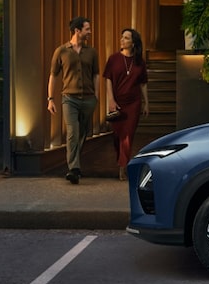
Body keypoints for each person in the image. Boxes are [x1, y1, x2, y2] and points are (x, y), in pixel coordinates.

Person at [48, 16, 99, 185]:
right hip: (69, 99)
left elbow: (96, 75)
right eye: (87, 29)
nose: (90, 32)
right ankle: (74, 169)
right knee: (72, 132)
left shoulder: (92, 52)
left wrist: (97, 96)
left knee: (82, 133)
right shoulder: (61, 51)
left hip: (88, 99)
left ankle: (75, 164)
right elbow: (53, 76)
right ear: (77, 31)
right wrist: (50, 99)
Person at [103, 27, 149, 181]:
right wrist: (110, 100)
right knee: (117, 136)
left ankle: (124, 166)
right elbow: (108, 80)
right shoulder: (113, 59)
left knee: (127, 135)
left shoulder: (139, 62)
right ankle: (121, 160)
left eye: (126, 38)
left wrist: (146, 103)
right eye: (122, 37)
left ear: (133, 43)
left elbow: (143, 84)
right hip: (117, 102)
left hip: (133, 103)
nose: (122, 40)